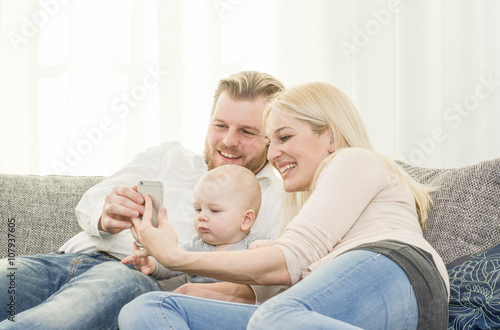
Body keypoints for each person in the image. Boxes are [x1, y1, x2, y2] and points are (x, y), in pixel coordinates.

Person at [118, 82, 450, 329]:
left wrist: (176, 256)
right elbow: (289, 289)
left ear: (330, 136)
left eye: (285, 137)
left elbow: (289, 263)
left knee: (274, 319)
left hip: (397, 272)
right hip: (318, 313)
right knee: (150, 308)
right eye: (269, 142)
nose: (273, 153)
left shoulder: (355, 160)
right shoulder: (305, 205)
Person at [0, 71, 285, 329]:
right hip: (62, 260)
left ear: (270, 138)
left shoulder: (277, 197)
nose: (229, 140)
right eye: (220, 125)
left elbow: (273, 278)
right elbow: (93, 198)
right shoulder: (168, 157)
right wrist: (106, 213)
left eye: (247, 132)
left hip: (131, 278)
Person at [122, 164, 264, 284]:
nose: (202, 216)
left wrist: (264, 248)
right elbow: (171, 263)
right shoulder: (196, 246)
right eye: (198, 209)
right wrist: (152, 264)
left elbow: (271, 263)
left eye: (214, 210)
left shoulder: (252, 246)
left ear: (246, 220)